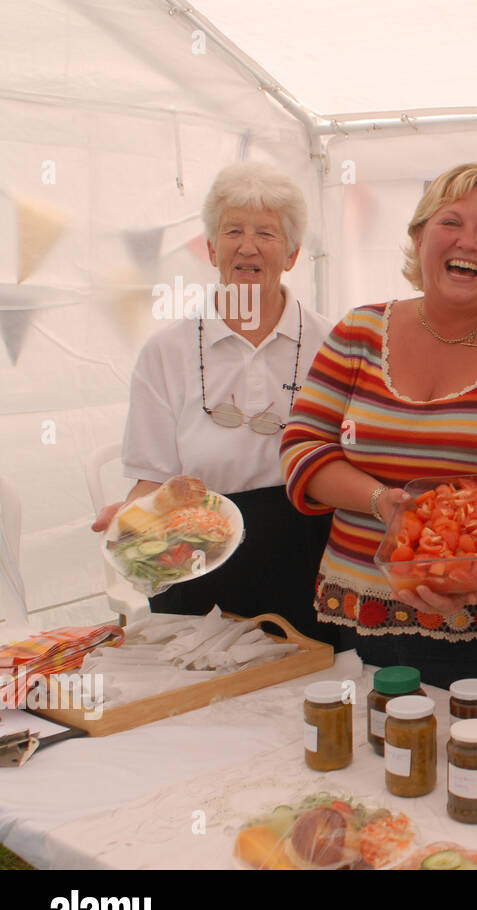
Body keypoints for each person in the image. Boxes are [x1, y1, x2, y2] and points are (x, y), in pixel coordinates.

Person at [280, 162, 477, 703]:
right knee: (366, 772)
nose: (469, 241)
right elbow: (302, 448)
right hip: (360, 615)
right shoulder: (359, 332)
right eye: (450, 222)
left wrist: (463, 569)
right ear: (419, 238)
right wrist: (380, 502)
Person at [93, 162, 335, 643]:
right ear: (210, 249)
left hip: (308, 556)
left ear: (291, 254)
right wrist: (132, 520)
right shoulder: (167, 351)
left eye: (266, 233)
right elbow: (152, 480)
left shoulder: (333, 343)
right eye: (232, 231)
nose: (248, 246)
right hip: (196, 555)